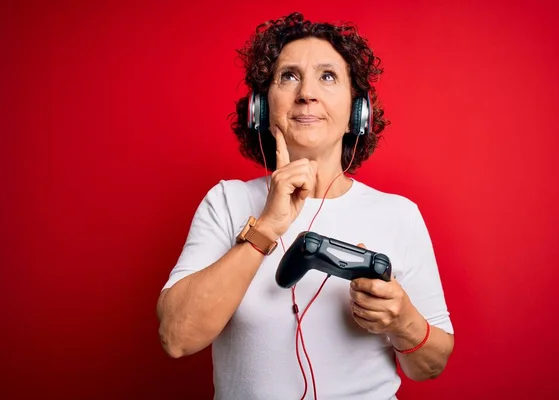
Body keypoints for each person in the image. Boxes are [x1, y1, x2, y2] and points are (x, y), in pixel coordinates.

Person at [156, 11, 454, 400]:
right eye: (289, 76)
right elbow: (176, 337)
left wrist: (403, 323)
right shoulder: (226, 202)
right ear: (260, 110)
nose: (307, 93)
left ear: (357, 113)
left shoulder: (399, 215)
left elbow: (431, 365)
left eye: (328, 77)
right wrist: (266, 227)